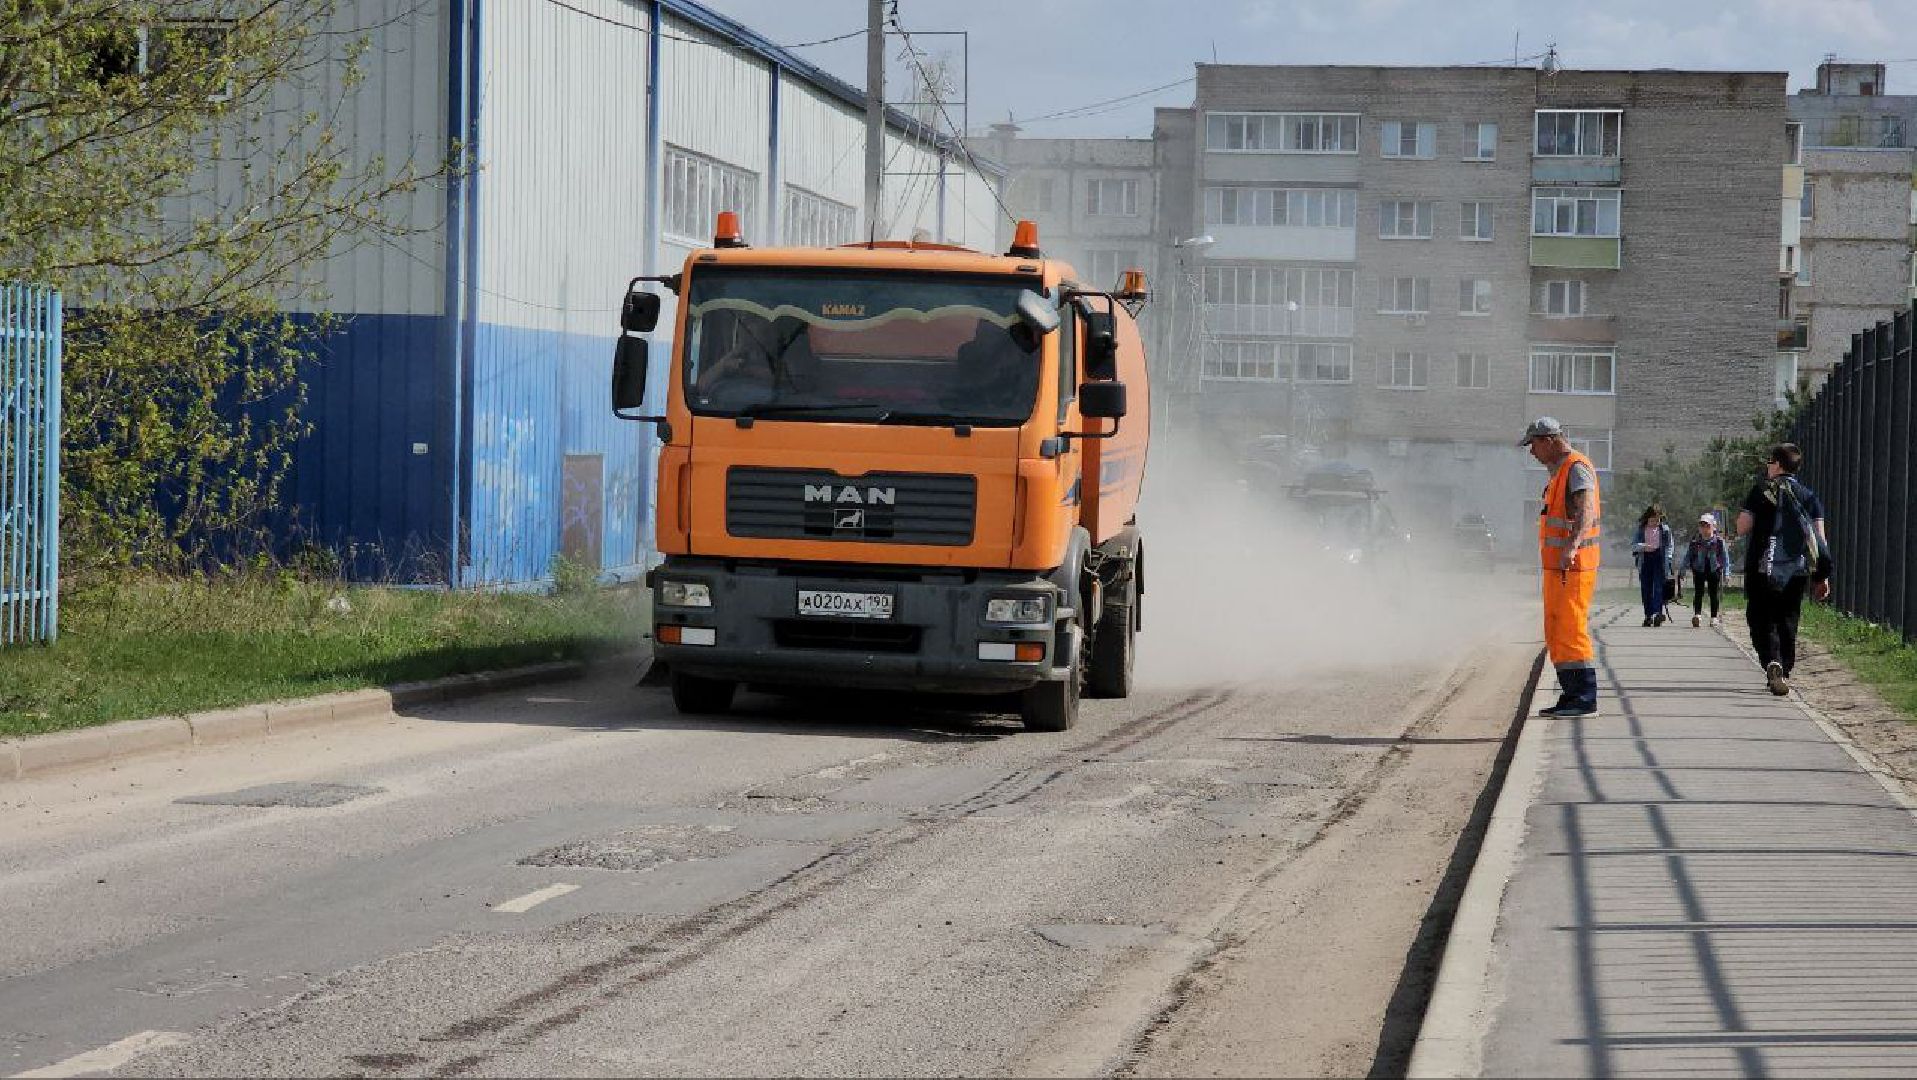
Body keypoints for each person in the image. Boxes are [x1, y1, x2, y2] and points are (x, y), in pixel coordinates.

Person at [1736, 443, 1833, 696]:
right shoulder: (1808, 496)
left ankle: (1772, 660)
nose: (1767, 466)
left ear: (1778, 465)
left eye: (1770, 462)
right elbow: (1819, 538)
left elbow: (1742, 527)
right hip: (1796, 570)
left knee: (1760, 617)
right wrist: (1821, 576)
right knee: (1787, 618)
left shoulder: (1760, 492)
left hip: (1763, 568)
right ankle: (1784, 669)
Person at [1522, 417, 1603, 717]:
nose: (1532, 452)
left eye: (1533, 445)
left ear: (1548, 440)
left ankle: (1584, 698)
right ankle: (1571, 695)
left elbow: (1586, 510)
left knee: (1571, 629)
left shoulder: (1576, 468)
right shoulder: (1560, 472)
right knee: (1558, 629)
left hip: (1574, 567)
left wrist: (1571, 546)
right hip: (1559, 569)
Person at [1630, 505, 1675, 627]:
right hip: (1645, 560)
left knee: (1658, 588)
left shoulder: (1665, 529)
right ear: (1647, 518)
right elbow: (1633, 545)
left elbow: (1670, 545)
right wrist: (1644, 547)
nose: (1655, 523)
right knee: (1646, 588)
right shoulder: (1641, 529)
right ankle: (1648, 615)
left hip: (1660, 559)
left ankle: (1657, 614)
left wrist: (1668, 558)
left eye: (1657, 520)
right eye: (1652, 520)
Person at [1684, 512, 1730, 628]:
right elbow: (1688, 555)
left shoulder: (1719, 541)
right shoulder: (1695, 541)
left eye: (1707, 526)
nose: (1704, 529)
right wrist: (1682, 569)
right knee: (1698, 592)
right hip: (1699, 569)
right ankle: (1697, 615)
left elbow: (1725, 558)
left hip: (1714, 569)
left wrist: (1727, 573)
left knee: (1713, 593)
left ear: (1713, 527)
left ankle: (1714, 617)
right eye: (1702, 526)